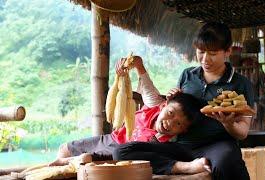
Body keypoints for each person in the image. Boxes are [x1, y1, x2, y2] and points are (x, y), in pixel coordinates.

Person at [113, 22, 254, 179]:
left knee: (226, 162)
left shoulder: (240, 83)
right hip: (181, 146)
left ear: (227, 51)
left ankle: (195, 165)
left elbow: (243, 132)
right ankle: (183, 167)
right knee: (121, 151)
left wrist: (228, 123)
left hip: (217, 146)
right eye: (201, 52)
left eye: (213, 53)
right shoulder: (187, 75)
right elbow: (177, 107)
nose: (205, 59)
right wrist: (173, 99)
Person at [50, 56, 203, 166]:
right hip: (112, 139)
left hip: (119, 155)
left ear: (183, 130)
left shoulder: (164, 142)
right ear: (164, 105)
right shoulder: (155, 105)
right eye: (170, 113)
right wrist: (137, 64)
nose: (169, 123)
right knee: (65, 149)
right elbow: (147, 84)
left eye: (177, 123)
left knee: (85, 160)